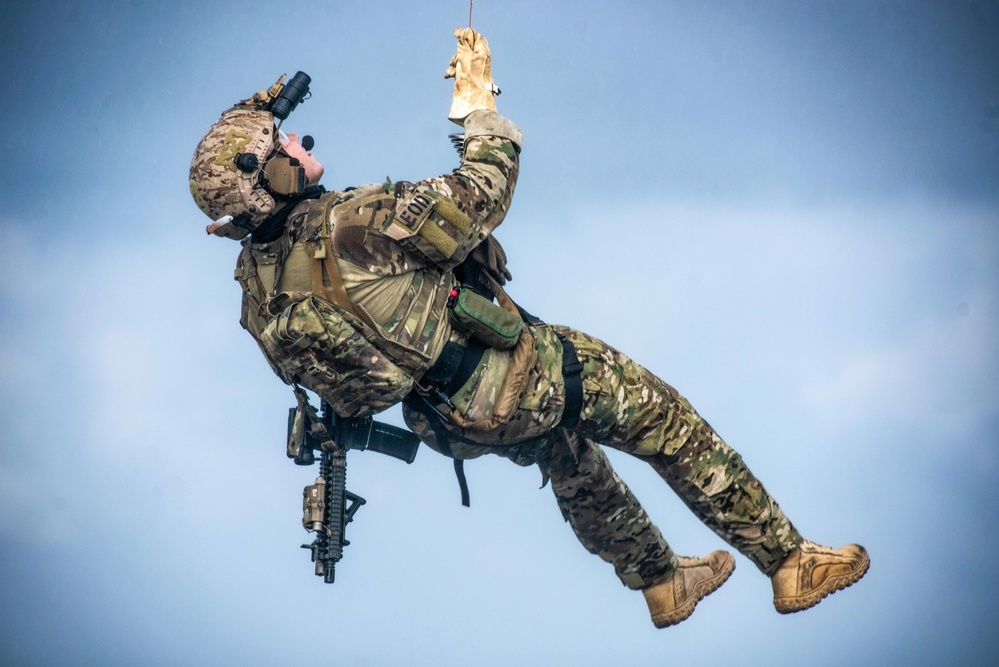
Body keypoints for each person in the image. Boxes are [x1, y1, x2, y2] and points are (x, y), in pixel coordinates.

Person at [189, 28, 869, 628]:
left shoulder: (258, 286)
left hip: (445, 418)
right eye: (287, 143)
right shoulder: (353, 222)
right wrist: (477, 106)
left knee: (569, 458)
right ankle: (787, 561)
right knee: (664, 419)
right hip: (514, 373)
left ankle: (661, 581)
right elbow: (483, 190)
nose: (301, 145)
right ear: (268, 175)